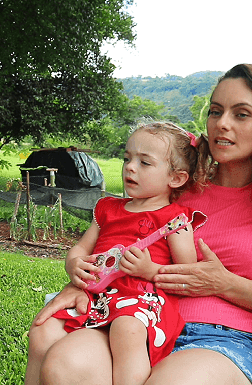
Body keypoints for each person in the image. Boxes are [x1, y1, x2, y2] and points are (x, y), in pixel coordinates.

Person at [25, 63, 252, 385]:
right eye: (215, 111)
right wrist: (80, 281)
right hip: (135, 321)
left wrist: (226, 284)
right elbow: (117, 237)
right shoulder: (174, 185)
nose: (222, 124)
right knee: (64, 364)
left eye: (241, 114)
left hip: (223, 340)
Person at [25, 122, 208, 385]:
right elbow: (80, 248)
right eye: (127, 158)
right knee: (42, 332)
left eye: (145, 163)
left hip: (142, 299)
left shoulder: (175, 220)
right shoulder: (108, 208)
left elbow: (186, 273)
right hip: (96, 294)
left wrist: (150, 270)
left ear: (176, 178)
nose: (130, 167)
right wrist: (74, 263)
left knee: (126, 329)